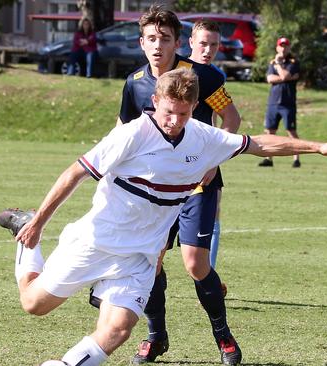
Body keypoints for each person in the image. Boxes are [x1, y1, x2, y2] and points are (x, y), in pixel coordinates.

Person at [0, 67, 327, 366]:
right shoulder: (132, 134)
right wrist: (40, 221)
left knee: (118, 330)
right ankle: (26, 230)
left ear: (194, 107)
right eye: (168, 112)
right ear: (155, 102)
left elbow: (259, 144)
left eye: (182, 114)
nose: (174, 121)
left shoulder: (203, 137)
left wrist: (316, 147)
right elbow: (74, 173)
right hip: (96, 242)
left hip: (140, 258)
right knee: (33, 304)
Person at [118, 6, 244, 365]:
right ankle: (156, 337)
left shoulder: (205, 76)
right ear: (142, 42)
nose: (158, 47)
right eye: (151, 39)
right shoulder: (134, 82)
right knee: (152, 262)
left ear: (178, 42)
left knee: (195, 264)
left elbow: (231, 118)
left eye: (165, 39)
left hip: (198, 186)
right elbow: (123, 132)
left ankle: (223, 337)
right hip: (155, 190)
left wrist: (212, 160)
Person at [188, 18, 226, 271]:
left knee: (215, 211)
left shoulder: (215, 76)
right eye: (203, 43)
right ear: (191, 42)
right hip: (174, 157)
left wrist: (214, 159)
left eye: (213, 45)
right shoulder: (178, 69)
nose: (207, 50)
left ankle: (208, 274)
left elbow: (224, 117)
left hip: (205, 157)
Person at [258, 37, 301, 168]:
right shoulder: (272, 62)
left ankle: (296, 159)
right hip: (273, 102)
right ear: (277, 48)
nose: (283, 48)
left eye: (285, 46)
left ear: (289, 48)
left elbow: (284, 76)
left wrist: (278, 66)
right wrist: (283, 76)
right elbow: (270, 78)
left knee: (291, 131)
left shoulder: (293, 63)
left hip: (287, 103)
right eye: (281, 46)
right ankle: (268, 158)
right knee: (270, 131)